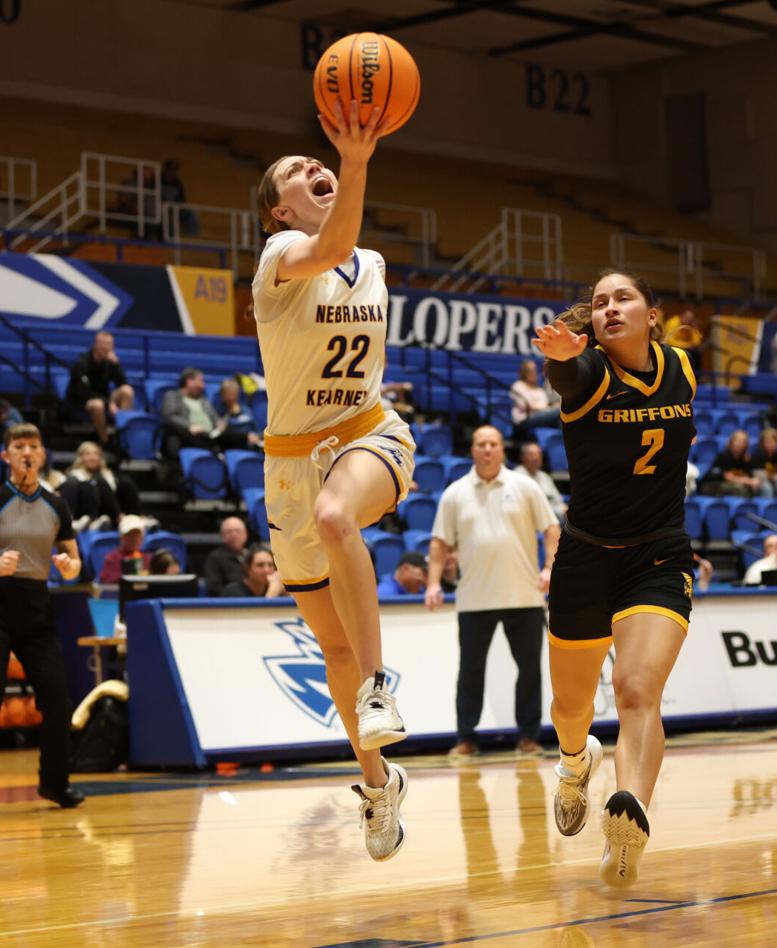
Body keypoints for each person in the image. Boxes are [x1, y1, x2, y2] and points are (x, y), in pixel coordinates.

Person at [252, 104, 416, 861]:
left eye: (318, 163)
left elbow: (347, 241)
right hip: (287, 461)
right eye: (299, 172)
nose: (314, 166)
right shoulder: (282, 254)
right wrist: (353, 165)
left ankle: (382, 685)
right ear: (277, 211)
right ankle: (379, 786)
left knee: (335, 515)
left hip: (367, 434)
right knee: (332, 652)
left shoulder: (373, 264)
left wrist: (354, 165)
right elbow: (332, 241)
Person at [532, 268, 698, 888]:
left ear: (651, 312)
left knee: (635, 692)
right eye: (599, 302)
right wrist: (562, 359)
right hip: (584, 560)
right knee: (572, 708)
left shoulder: (681, 368)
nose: (609, 308)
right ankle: (575, 764)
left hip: (657, 556)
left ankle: (628, 821)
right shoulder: (590, 372)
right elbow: (568, 378)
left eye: (623, 297)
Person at [0, 423, 84, 817]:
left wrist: (66, 565)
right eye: (19, 446)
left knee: (57, 699)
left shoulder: (57, 505)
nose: (27, 452)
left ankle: (55, 782)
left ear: (42, 455)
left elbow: (74, 563)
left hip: (38, 606)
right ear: (6, 455)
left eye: (34, 446)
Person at [425, 425, 560, 760]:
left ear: (502, 450)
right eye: (481, 444)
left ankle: (529, 737)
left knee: (529, 671)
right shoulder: (455, 493)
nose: (487, 449)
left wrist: (549, 568)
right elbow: (440, 542)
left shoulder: (525, 486)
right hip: (474, 599)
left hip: (525, 597)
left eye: (493, 444)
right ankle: (466, 738)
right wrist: (432, 583)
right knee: (470, 672)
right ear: (472, 450)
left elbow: (552, 528)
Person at [161, 368, 251, 461]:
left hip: (210, 435)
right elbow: (169, 416)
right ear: (189, 381)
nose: (203, 385)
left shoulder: (203, 400)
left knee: (239, 438)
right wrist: (189, 426)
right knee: (173, 437)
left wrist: (219, 424)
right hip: (190, 435)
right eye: (200, 381)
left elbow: (214, 417)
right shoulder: (172, 396)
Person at [65, 331, 135, 446]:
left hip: (104, 398)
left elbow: (122, 383)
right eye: (104, 345)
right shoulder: (81, 363)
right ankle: (105, 440)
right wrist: (108, 403)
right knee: (98, 404)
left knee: (127, 390)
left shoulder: (109, 362)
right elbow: (84, 392)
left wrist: (116, 365)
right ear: (96, 345)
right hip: (80, 402)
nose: (107, 348)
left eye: (110, 345)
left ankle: (122, 437)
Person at [58, 441, 142, 533]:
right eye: (88, 454)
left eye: (95, 454)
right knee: (87, 484)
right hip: (83, 515)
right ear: (81, 457)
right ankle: (74, 522)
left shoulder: (108, 475)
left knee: (126, 483)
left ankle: (135, 519)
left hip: (107, 514)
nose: (92, 458)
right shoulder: (74, 476)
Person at [510, 359, 561, 435]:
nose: (533, 373)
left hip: (540, 415)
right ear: (524, 372)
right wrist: (549, 407)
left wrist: (548, 407)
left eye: (534, 371)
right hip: (524, 419)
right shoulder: (518, 386)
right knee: (559, 412)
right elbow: (527, 406)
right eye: (530, 371)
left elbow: (543, 405)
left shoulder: (539, 390)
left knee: (562, 417)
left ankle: (559, 442)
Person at [519, 441, 567, 521]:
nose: (536, 458)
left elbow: (557, 499)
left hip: (554, 515)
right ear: (523, 457)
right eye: (531, 455)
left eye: (539, 455)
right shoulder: (517, 476)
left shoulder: (545, 476)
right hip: (533, 517)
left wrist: (563, 508)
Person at [97, 514, 151, 583]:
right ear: (122, 537)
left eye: (137, 534)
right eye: (130, 534)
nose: (133, 539)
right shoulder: (112, 558)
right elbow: (108, 584)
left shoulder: (148, 559)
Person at [203, 516, 248, 596]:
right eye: (229, 531)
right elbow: (214, 588)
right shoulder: (214, 558)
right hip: (228, 602)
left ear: (245, 535)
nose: (234, 534)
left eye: (237, 531)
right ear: (222, 536)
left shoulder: (251, 555)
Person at [221, 543, 286, 598]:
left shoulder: (277, 588)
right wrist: (273, 592)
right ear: (247, 568)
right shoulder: (232, 591)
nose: (266, 570)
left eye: (270, 565)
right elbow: (261, 613)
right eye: (260, 565)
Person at [216, 377, 263, 450]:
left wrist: (256, 436)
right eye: (228, 394)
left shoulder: (246, 409)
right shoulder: (220, 411)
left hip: (254, 441)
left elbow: (255, 428)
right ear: (222, 395)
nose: (231, 397)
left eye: (233, 393)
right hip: (237, 444)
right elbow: (223, 433)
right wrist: (246, 437)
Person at [710, 429, 760, 497]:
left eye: (743, 442)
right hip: (714, 484)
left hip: (735, 485)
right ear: (731, 442)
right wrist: (748, 481)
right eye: (738, 441)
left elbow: (751, 476)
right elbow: (729, 477)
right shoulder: (724, 457)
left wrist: (755, 480)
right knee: (739, 488)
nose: (740, 444)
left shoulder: (747, 459)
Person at [750, 427, 777, 499]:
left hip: (773, 481)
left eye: (772, 441)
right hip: (759, 483)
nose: (770, 444)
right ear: (762, 443)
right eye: (767, 442)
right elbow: (759, 475)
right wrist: (773, 477)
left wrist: (771, 477)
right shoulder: (758, 455)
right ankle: (767, 506)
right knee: (767, 487)